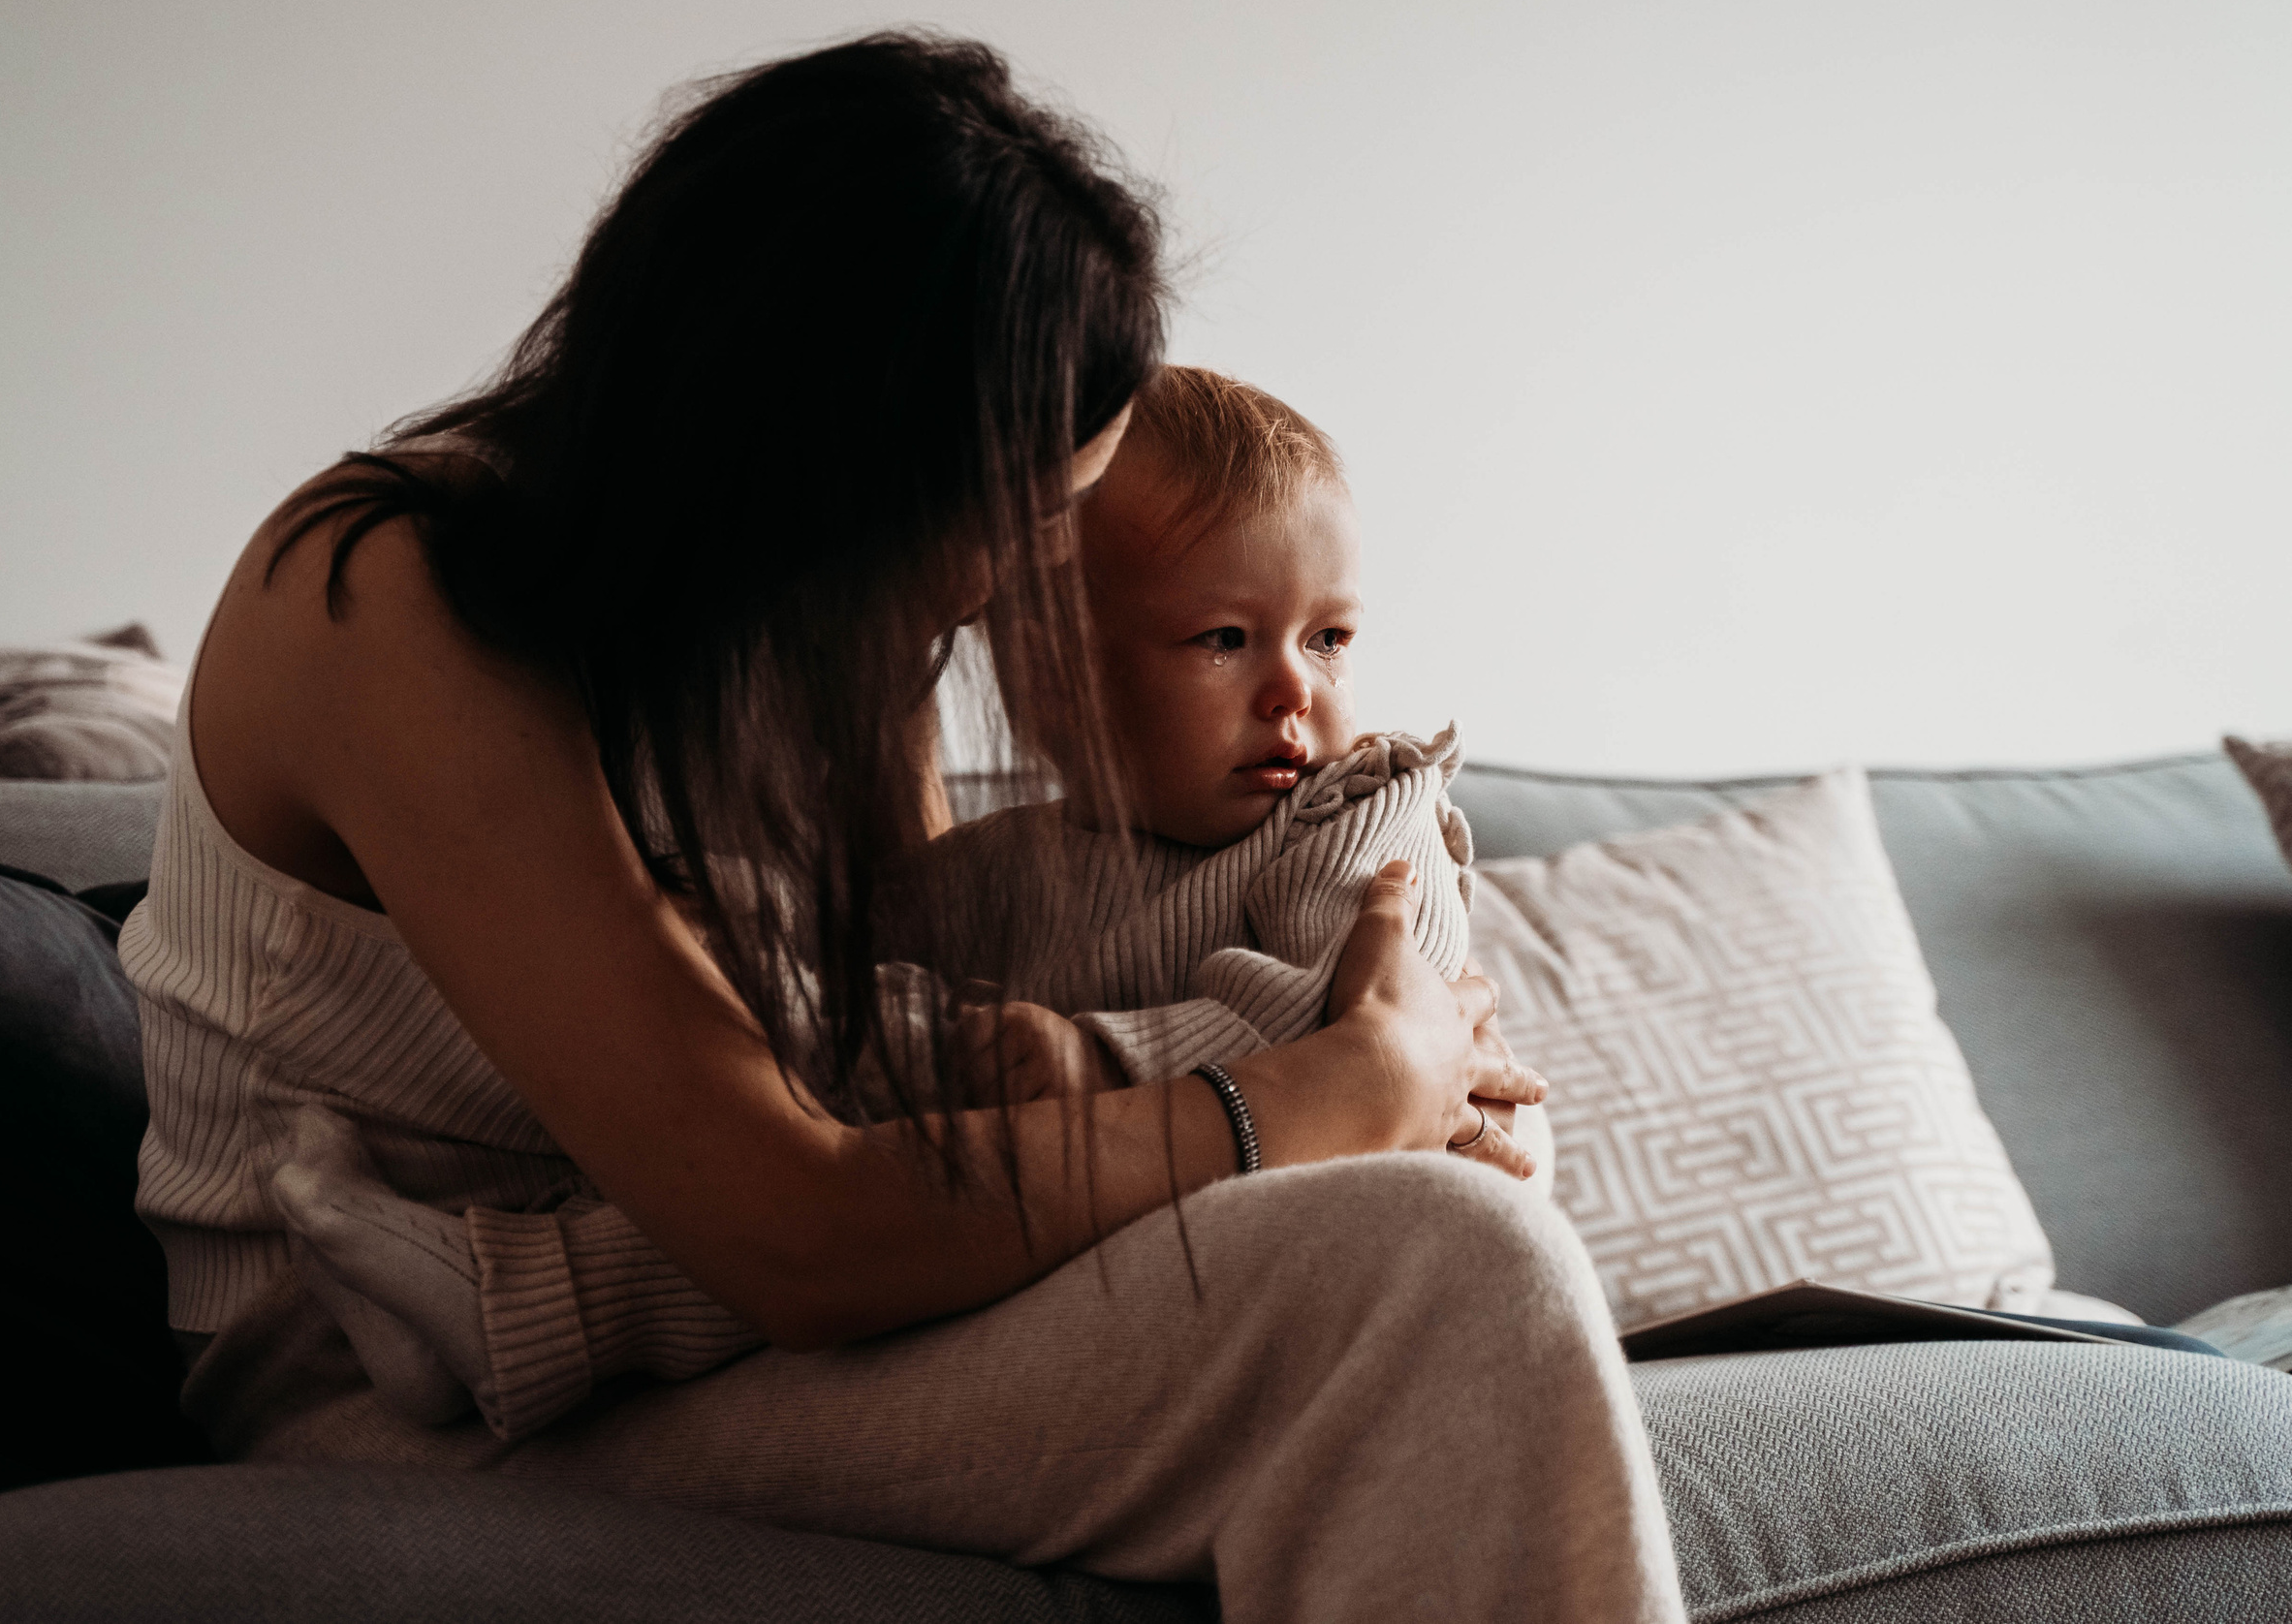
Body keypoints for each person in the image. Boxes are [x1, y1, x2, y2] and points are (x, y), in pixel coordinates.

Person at [124, 32, 1685, 1623]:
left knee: (1450, 1235)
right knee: (1439, 1288)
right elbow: (796, 1223)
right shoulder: (380, 598)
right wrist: (1322, 1093)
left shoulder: (830, 634)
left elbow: (928, 1071)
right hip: (405, 1384)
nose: (1004, 584)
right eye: (1004, 518)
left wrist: (1444, 1113)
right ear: (828, 456)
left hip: (747, 1321)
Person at [262, 363, 1558, 1441]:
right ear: (1051, 682)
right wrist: (722, 931)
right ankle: (506, 1301)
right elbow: (845, 985)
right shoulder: (1006, 862)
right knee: (876, 1156)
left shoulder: (1357, 811)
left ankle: (520, 1306)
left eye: (1326, 638)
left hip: (1287, 1202)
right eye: (1223, 640)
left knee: (958, 1167)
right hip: (1082, 1224)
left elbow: (1379, 1046)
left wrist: (1090, 1057)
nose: (1294, 693)